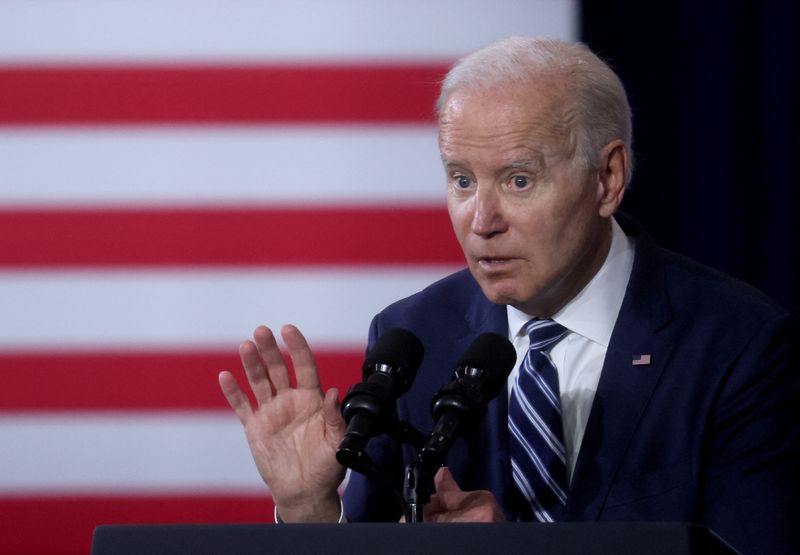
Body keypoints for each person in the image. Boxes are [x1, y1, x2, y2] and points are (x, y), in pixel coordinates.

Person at [218, 37, 799, 554]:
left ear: (608, 178)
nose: (481, 220)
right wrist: (309, 510)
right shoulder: (414, 336)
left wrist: (521, 551)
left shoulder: (740, 344)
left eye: (519, 180)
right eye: (461, 180)